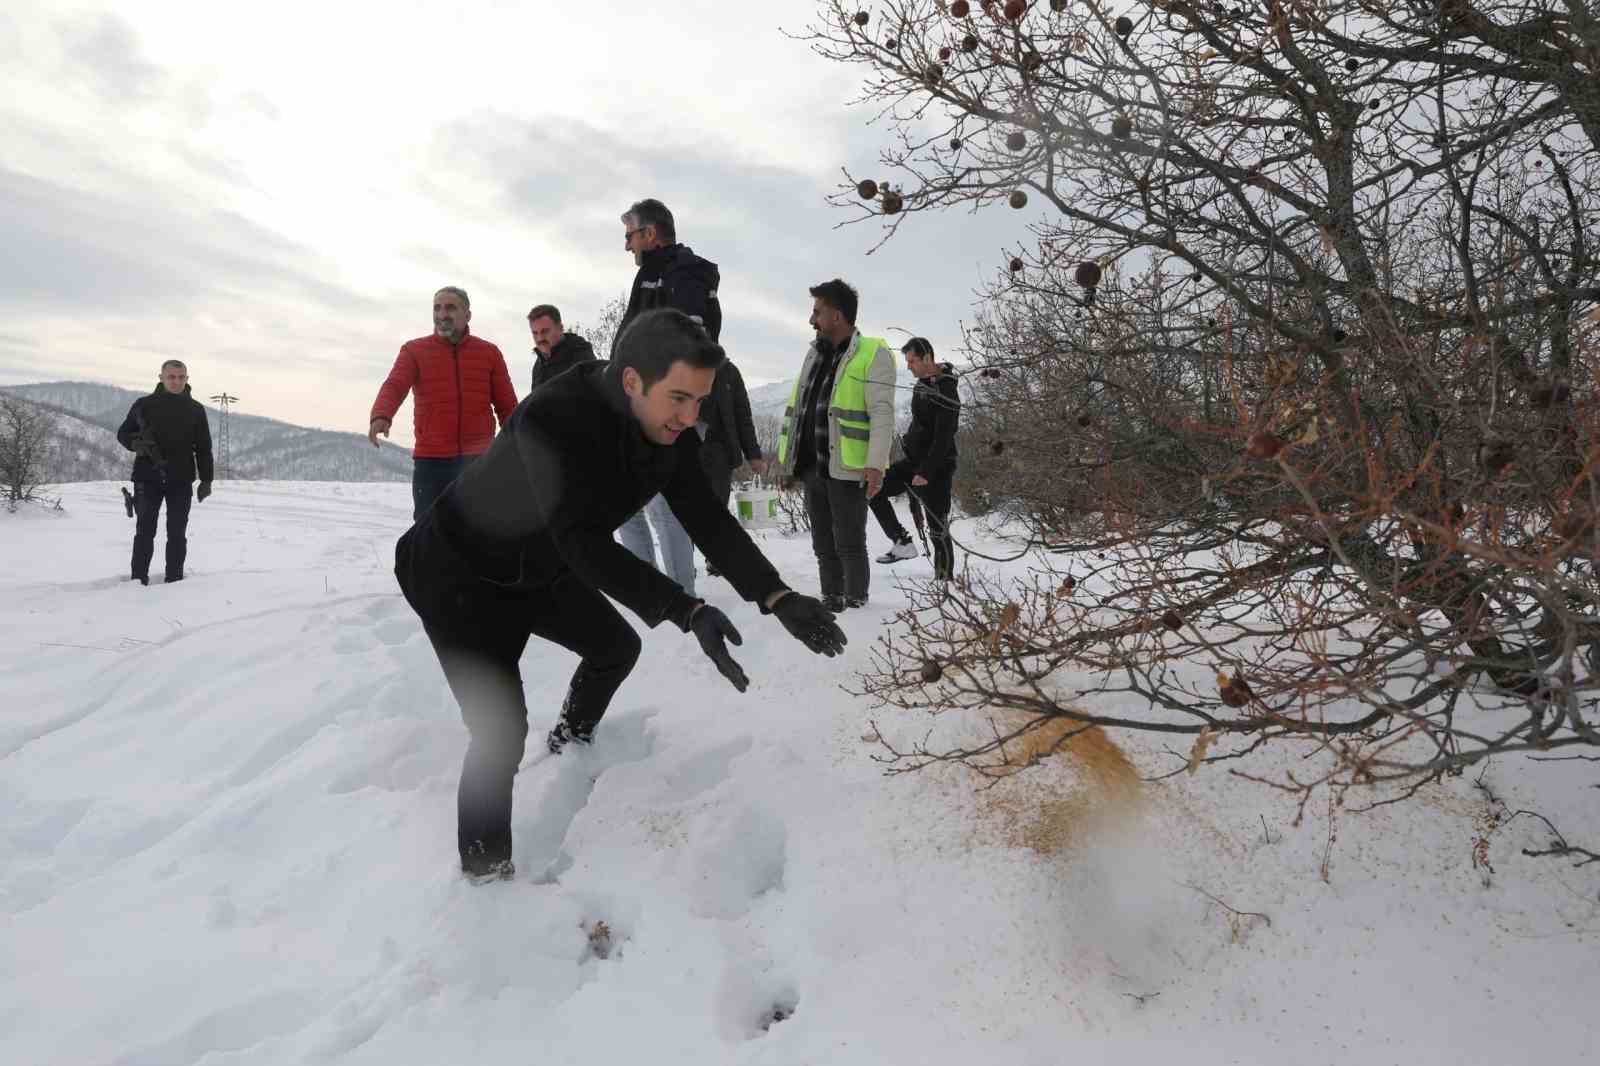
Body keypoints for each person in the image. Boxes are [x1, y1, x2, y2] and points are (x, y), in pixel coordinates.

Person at [393, 308, 847, 883]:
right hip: (457, 575)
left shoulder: (665, 431)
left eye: (700, 401)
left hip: (536, 567)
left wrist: (777, 596)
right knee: (499, 733)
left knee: (615, 648)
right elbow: (582, 543)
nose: (689, 417)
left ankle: (571, 741)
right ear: (633, 380)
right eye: (679, 398)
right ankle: (485, 877)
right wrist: (687, 608)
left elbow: (708, 519)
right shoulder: (552, 419)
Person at [614, 198, 724, 593]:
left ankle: (680, 593)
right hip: (636, 407)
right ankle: (646, 588)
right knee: (625, 503)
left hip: (667, 412)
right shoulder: (650, 276)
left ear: (650, 233)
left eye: (630, 235)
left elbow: (687, 348)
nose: (627, 245)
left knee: (665, 506)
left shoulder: (684, 275)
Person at [773, 279, 896, 612]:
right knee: (822, 543)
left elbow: (883, 416)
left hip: (847, 467)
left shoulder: (873, 353)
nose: (812, 320)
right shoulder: (814, 353)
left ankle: (856, 600)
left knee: (849, 543)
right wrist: (789, 465)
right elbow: (799, 408)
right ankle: (832, 597)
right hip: (813, 466)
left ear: (838, 316)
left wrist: (875, 465)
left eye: (817, 312)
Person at [368, 287, 518, 520]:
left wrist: (518, 441)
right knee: (429, 533)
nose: (442, 314)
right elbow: (395, 385)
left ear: (467, 315)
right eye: (437, 308)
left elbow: (507, 404)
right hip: (431, 462)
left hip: (478, 461)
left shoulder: (489, 353)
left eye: (450, 307)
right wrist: (381, 415)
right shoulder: (414, 351)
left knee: (480, 531)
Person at [116, 359, 214, 585]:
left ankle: (175, 579)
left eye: (181, 377)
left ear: (187, 379)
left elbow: (204, 448)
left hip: (181, 480)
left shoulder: (196, 410)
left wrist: (206, 480)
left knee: (177, 533)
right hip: (146, 478)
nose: (176, 381)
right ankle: (138, 580)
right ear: (161, 378)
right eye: (171, 377)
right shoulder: (143, 405)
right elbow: (123, 434)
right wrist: (137, 444)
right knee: (144, 532)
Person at [870, 338, 960, 581]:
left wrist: (926, 471)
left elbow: (943, 436)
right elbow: (920, 425)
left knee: (937, 526)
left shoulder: (946, 389)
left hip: (937, 467)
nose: (908, 366)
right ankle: (901, 541)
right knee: (873, 489)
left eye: (912, 361)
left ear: (928, 357)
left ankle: (944, 580)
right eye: (907, 361)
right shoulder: (921, 385)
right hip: (912, 463)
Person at [527, 304, 597, 391]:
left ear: (560, 328)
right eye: (535, 333)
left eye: (545, 331)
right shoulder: (539, 366)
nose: (540, 338)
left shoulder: (581, 358)